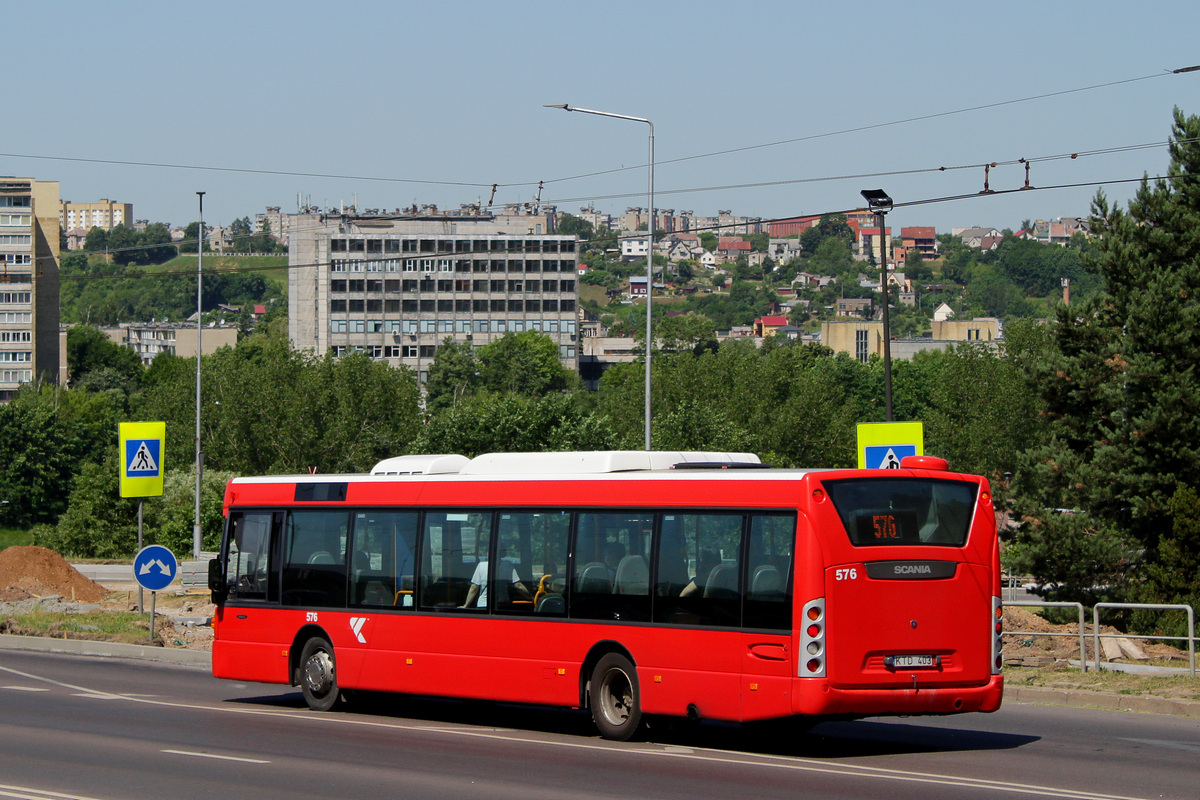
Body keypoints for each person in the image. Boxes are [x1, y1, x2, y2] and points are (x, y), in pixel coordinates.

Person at [460, 556, 531, 608]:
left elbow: (474, 587)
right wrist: (532, 598)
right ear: (503, 553)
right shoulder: (508, 565)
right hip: (503, 604)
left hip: (483, 605)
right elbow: (518, 586)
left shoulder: (481, 565)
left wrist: (466, 605)